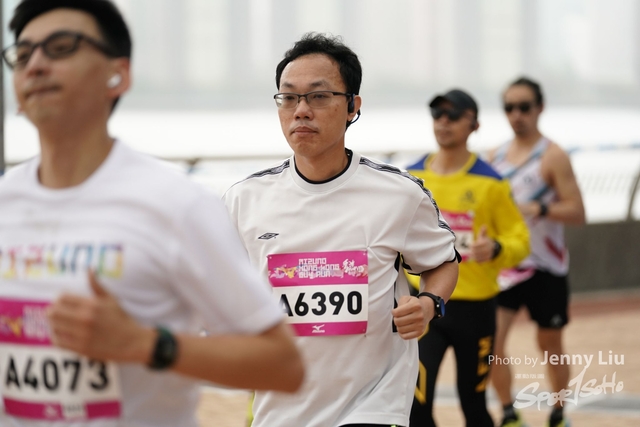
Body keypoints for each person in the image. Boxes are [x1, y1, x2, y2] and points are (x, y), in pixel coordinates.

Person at [0, 1, 303, 426]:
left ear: (118, 75)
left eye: (61, 47)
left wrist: (144, 344)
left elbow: (284, 365)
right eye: (22, 54)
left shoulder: (176, 204)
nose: (35, 65)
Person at [223, 33, 459, 427]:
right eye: (288, 97)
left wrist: (429, 304)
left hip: (375, 404)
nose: (301, 111)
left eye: (318, 96)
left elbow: (443, 261)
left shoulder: (398, 194)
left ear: (352, 107)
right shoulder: (244, 200)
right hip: (281, 407)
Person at [405, 89, 530, 427]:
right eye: (437, 114)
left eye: (454, 115)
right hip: (425, 305)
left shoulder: (491, 183)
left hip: (476, 309)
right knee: (416, 406)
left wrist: (497, 249)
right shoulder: (411, 177)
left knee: (473, 404)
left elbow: (521, 240)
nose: (443, 122)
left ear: (474, 125)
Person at [487, 77, 586, 427]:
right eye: (509, 107)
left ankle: (558, 413)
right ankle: (509, 413)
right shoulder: (494, 157)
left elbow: (578, 212)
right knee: (493, 343)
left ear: (539, 108)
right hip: (508, 266)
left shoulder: (553, 156)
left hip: (547, 267)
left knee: (549, 344)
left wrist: (539, 208)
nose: (517, 115)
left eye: (524, 107)